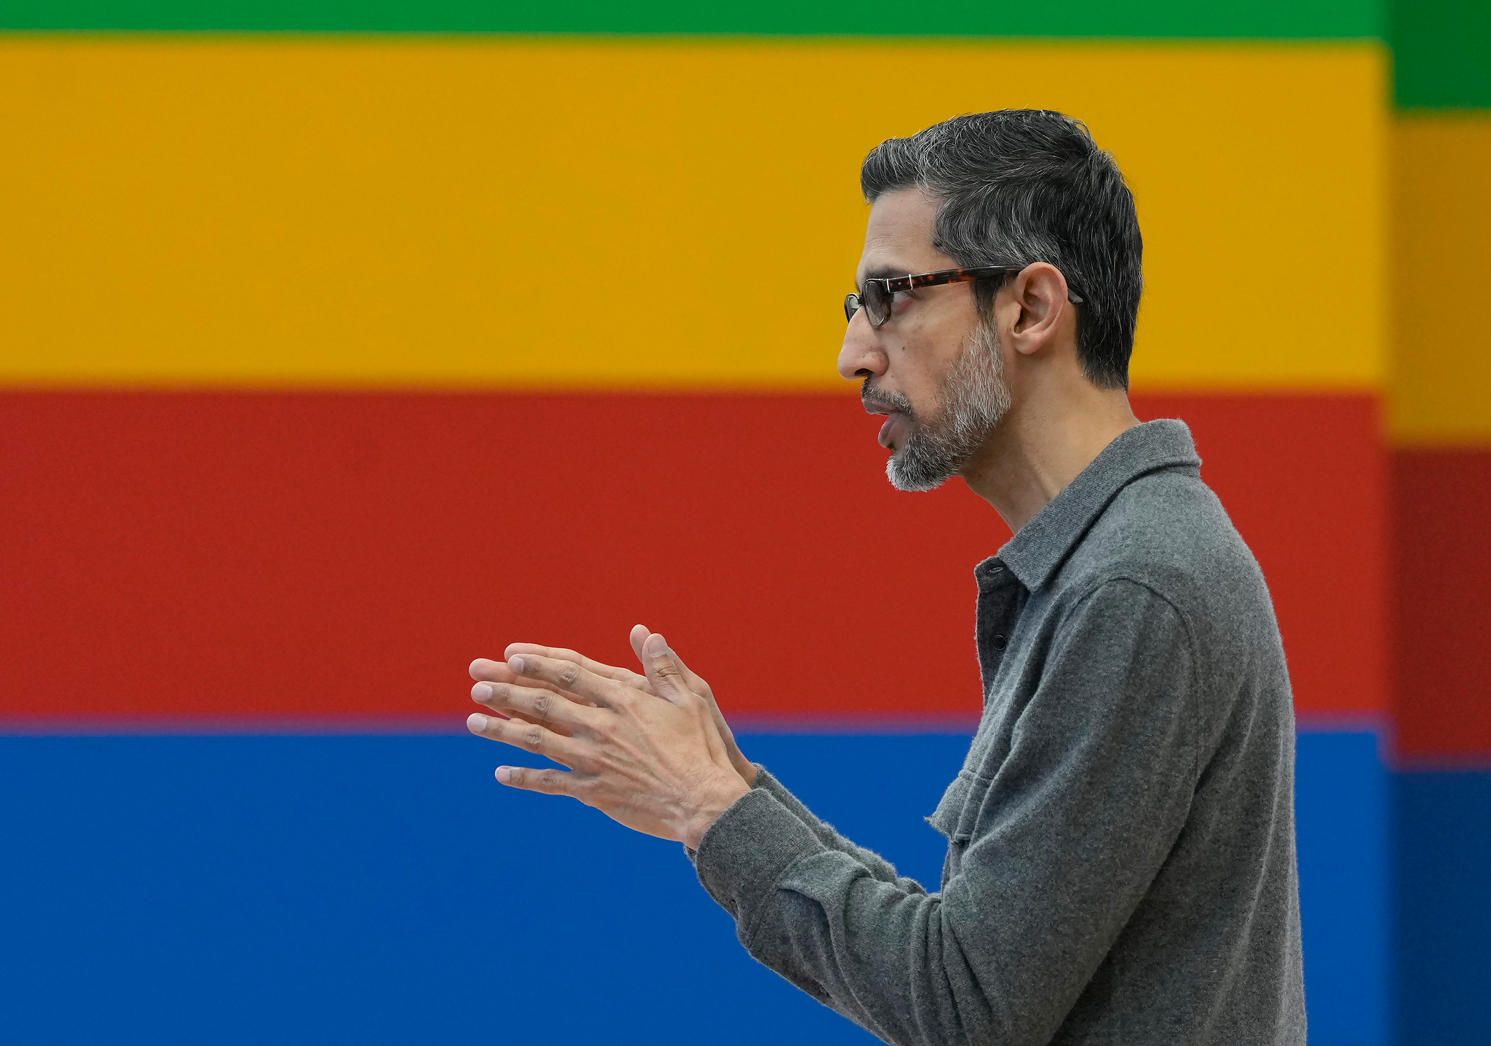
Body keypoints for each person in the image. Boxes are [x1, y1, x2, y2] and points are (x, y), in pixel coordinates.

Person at [464, 109, 1306, 1045]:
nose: (852, 355)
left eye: (890, 298)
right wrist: (722, 787)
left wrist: (712, 807)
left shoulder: (1133, 587)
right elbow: (965, 960)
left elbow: (962, 1006)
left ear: (1030, 308)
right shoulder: (1120, 562)